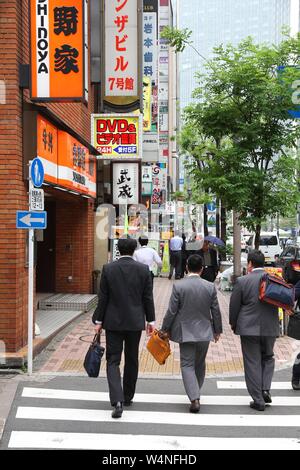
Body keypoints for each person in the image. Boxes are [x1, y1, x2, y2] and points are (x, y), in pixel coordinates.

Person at [92, 236, 155, 419]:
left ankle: (117, 400)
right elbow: (147, 298)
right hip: (135, 322)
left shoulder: (109, 269)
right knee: (132, 358)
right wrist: (150, 321)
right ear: (134, 249)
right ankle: (128, 397)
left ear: (118, 250)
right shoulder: (143, 270)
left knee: (113, 360)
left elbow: (102, 298)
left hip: (113, 322)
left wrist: (98, 322)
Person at [161, 254, 222, 413]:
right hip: (204, 331)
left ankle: (194, 398)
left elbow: (171, 311)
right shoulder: (209, 287)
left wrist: (165, 329)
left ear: (187, 267)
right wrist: (217, 330)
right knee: (200, 363)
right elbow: (215, 310)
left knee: (187, 364)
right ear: (202, 269)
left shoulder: (179, 286)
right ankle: (196, 391)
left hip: (185, 331)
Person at [229, 250, 279, 411]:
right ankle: (265, 388)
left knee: (252, 362)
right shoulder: (274, 279)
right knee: (268, 357)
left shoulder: (242, 281)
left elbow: (234, 306)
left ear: (250, 263)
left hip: (248, 327)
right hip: (270, 326)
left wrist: (233, 323)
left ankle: (258, 399)